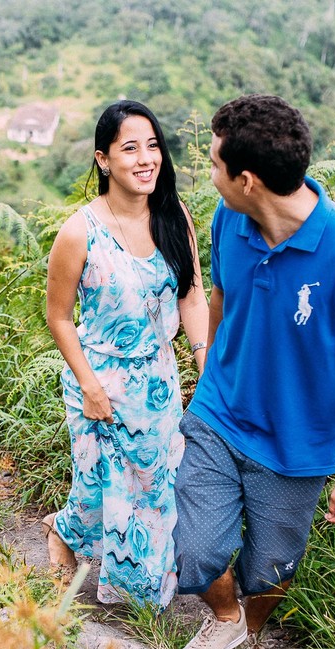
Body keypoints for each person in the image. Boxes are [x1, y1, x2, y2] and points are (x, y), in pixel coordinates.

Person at [171, 94, 335, 649]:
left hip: (300, 446)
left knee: (271, 569)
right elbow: (221, 298)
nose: (209, 174)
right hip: (221, 414)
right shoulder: (229, 219)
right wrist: (211, 367)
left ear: (247, 180)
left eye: (215, 164)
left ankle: (252, 631)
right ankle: (223, 620)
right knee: (194, 551)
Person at [43, 99, 209, 607]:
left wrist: (205, 358)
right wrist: (90, 386)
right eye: (130, 148)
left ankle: (142, 591)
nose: (145, 159)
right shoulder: (79, 232)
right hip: (98, 384)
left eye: (153, 146)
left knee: (157, 488)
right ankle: (65, 535)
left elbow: (192, 294)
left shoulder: (173, 216)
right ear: (103, 160)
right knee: (102, 489)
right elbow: (59, 317)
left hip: (157, 382)